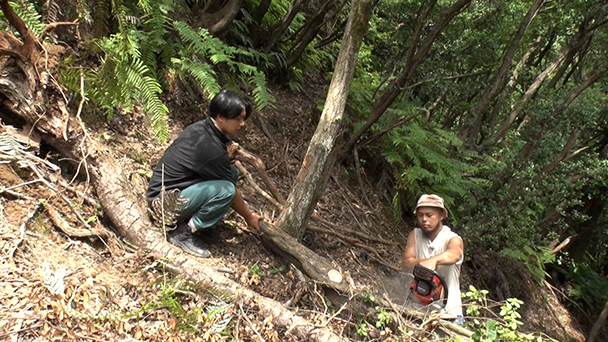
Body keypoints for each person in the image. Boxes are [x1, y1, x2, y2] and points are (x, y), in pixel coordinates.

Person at [146, 89, 262, 258]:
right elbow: (233, 193)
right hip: (164, 205)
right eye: (238, 119)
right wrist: (249, 217)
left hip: (169, 194)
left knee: (232, 173)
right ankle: (183, 232)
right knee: (227, 190)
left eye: (243, 118)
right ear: (221, 117)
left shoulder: (202, 129)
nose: (242, 124)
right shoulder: (211, 148)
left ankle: (202, 224)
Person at [401, 194, 464, 321]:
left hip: (449, 314)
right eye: (420, 215)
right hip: (417, 312)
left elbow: (455, 254)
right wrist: (425, 263)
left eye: (429, 215)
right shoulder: (415, 235)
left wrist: (434, 260)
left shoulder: (452, 238)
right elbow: (406, 262)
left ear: (441, 216)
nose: (424, 219)